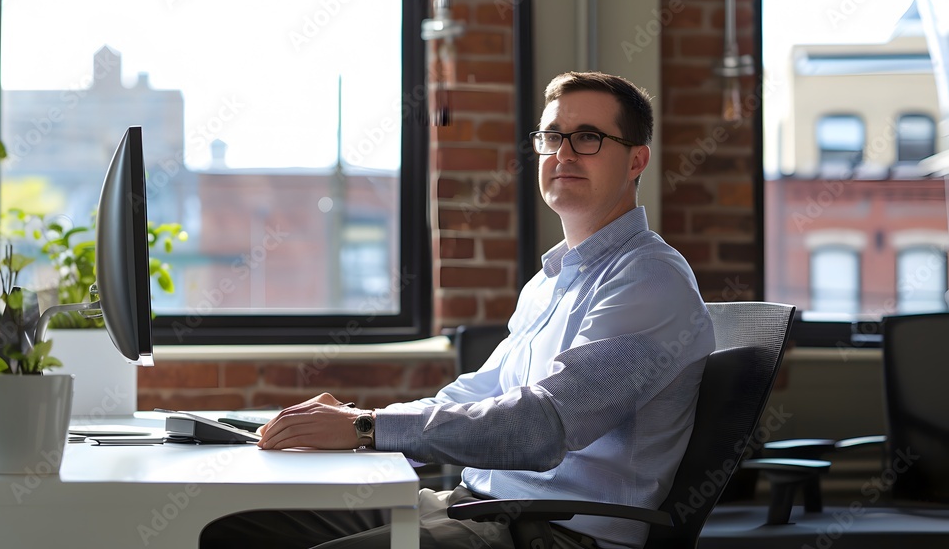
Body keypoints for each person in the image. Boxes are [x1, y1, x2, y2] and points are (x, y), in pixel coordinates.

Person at [200, 71, 715, 549]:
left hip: (553, 532)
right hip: (476, 506)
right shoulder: (549, 282)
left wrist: (366, 428)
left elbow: (544, 425)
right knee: (240, 528)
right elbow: (475, 394)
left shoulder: (649, 278)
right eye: (551, 137)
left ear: (636, 161)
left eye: (588, 138)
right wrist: (356, 424)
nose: (563, 154)